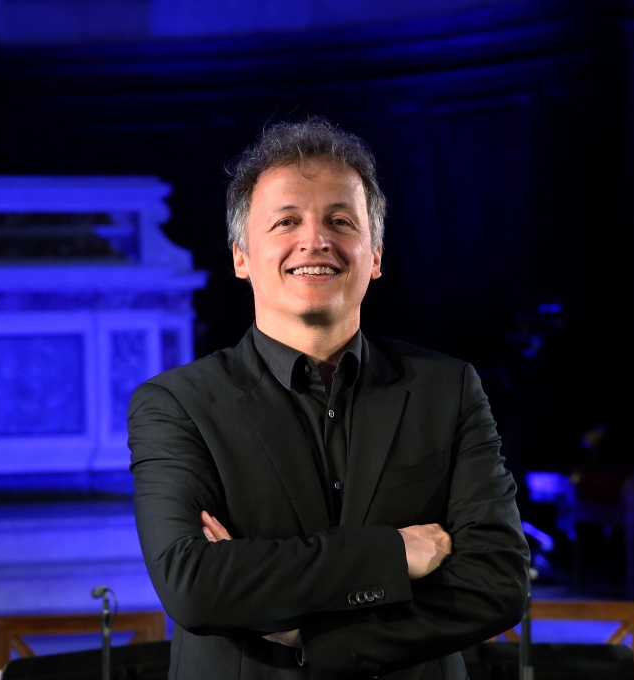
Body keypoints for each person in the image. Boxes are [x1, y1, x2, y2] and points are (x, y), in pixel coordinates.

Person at [128, 117, 529, 679]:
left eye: (340, 221)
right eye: (286, 221)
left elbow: (499, 584)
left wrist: (310, 636)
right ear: (242, 256)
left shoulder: (448, 388)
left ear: (376, 255)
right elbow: (194, 586)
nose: (314, 241)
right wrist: (395, 556)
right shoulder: (176, 404)